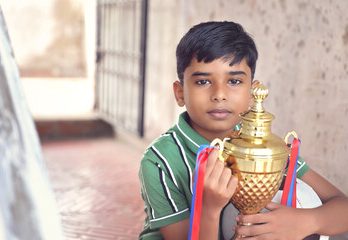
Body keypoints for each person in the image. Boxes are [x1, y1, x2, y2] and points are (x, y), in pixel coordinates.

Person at [138, 21, 348, 240]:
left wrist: (304, 223)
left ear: (252, 93)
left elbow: (342, 206)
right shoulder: (159, 162)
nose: (220, 94)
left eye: (235, 81)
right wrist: (208, 208)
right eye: (202, 82)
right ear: (180, 93)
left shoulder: (264, 148)